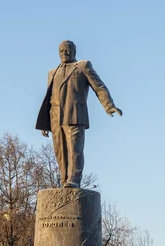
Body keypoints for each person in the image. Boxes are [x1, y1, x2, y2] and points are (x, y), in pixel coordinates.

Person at [36, 40, 122, 188]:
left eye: (68, 50)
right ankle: (65, 181)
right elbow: (49, 96)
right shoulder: (52, 72)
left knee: (75, 149)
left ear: (74, 51)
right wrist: (46, 122)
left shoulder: (83, 66)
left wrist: (109, 106)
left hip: (74, 114)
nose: (65, 53)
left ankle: (74, 179)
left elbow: (99, 86)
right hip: (55, 116)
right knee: (60, 151)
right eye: (62, 51)